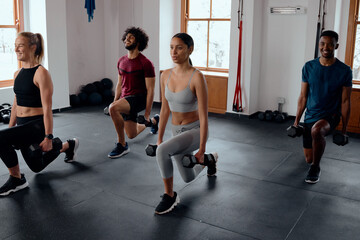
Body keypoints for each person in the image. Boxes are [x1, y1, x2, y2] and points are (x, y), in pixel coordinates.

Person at [0, 32, 79, 196]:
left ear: (33, 47)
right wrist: (10, 129)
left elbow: (47, 107)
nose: (16, 49)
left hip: (36, 125)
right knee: (37, 166)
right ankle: (68, 145)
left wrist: (48, 136)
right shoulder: (18, 73)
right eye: (15, 45)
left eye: (20, 45)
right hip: (22, 125)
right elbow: (16, 103)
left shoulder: (41, 73)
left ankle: (17, 180)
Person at [154, 33, 218, 215]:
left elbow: (204, 116)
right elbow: (165, 109)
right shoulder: (165, 75)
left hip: (195, 131)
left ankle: (170, 195)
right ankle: (210, 160)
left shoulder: (197, 77)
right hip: (177, 132)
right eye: (171, 47)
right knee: (188, 177)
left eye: (179, 47)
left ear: (190, 49)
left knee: (162, 151)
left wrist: (202, 148)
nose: (174, 52)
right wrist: (159, 137)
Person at [293, 30, 352, 184]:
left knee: (317, 131)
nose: (326, 47)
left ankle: (316, 168)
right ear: (319, 45)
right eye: (322, 44)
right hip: (311, 115)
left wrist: (344, 129)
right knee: (308, 158)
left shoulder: (344, 71)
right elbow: (303, 96)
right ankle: (313, 161)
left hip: (330, 116)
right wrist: (296, 122)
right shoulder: (308, 67)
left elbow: (345, 101)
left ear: (336, 46)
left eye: (330, 45)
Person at [108, 27, 159, 159]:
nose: (127, 39)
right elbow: (119, 83)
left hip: (139, 98)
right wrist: (115, 100)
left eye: (131, 37)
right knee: (131, 134)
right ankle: (154, 121)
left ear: (138, 41)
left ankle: (122, 144)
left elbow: (151, 90)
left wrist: (147, 113)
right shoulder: (121, 61)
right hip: (126, 99)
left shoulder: (146, 64)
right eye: (126, 37)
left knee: (113, 109)